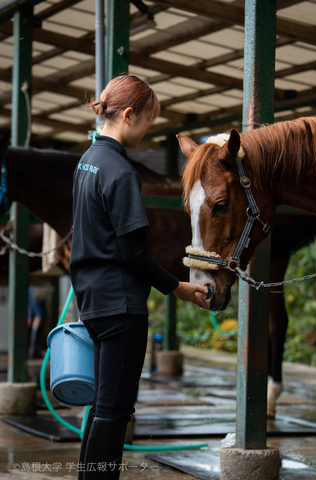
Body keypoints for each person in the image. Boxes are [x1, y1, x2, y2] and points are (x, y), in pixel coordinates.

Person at [70, 74, 208, 480]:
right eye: (148, 120)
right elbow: (133, 253)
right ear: (128, 115)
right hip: (122, 308)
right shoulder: (121, 172)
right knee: (115, 413)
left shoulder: (86, 162)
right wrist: (178, 288)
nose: (149, 130)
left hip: (93, 303)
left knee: (101, 406)